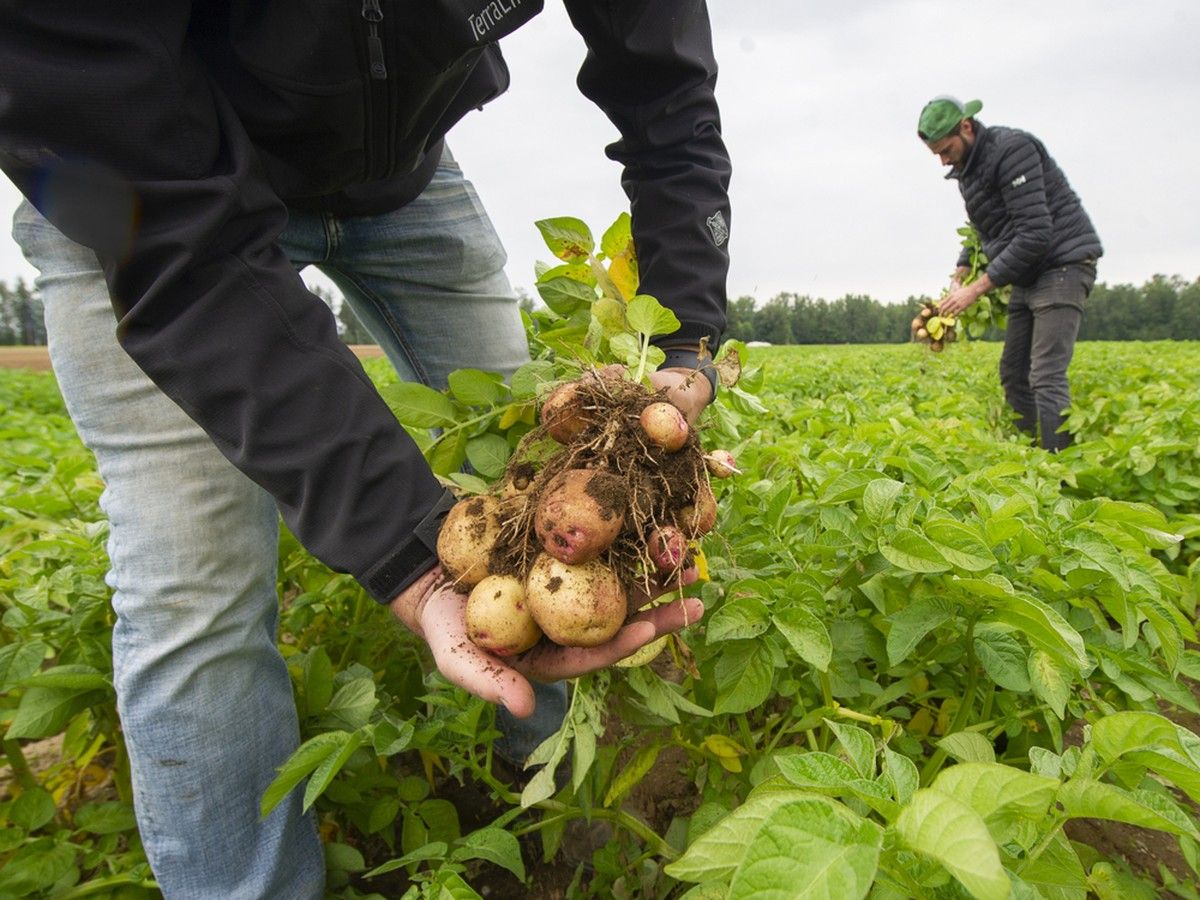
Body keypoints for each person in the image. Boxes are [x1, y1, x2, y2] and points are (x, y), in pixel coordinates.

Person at [0, 2, 730, 896]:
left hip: (404, 172)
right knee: (195, 596)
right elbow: (158, 216)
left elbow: (665, 80)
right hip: (142, 180)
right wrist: (401, 551)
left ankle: (535, 811)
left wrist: (688, 337)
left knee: (530, 475)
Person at [918, 96, 1103, 451]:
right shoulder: (968, 171)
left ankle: (1060, 473)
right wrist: (960, 272)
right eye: (936, 154)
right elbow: (983, 228)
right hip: (1027, 274)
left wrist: (976, 290)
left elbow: (1035, 234)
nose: (943, 160)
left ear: (967, 127)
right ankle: (1033, 459)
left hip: (1062, 264)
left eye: (946, 149)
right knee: (1014, 374)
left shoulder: (1011, 150)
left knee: (1045, 376)